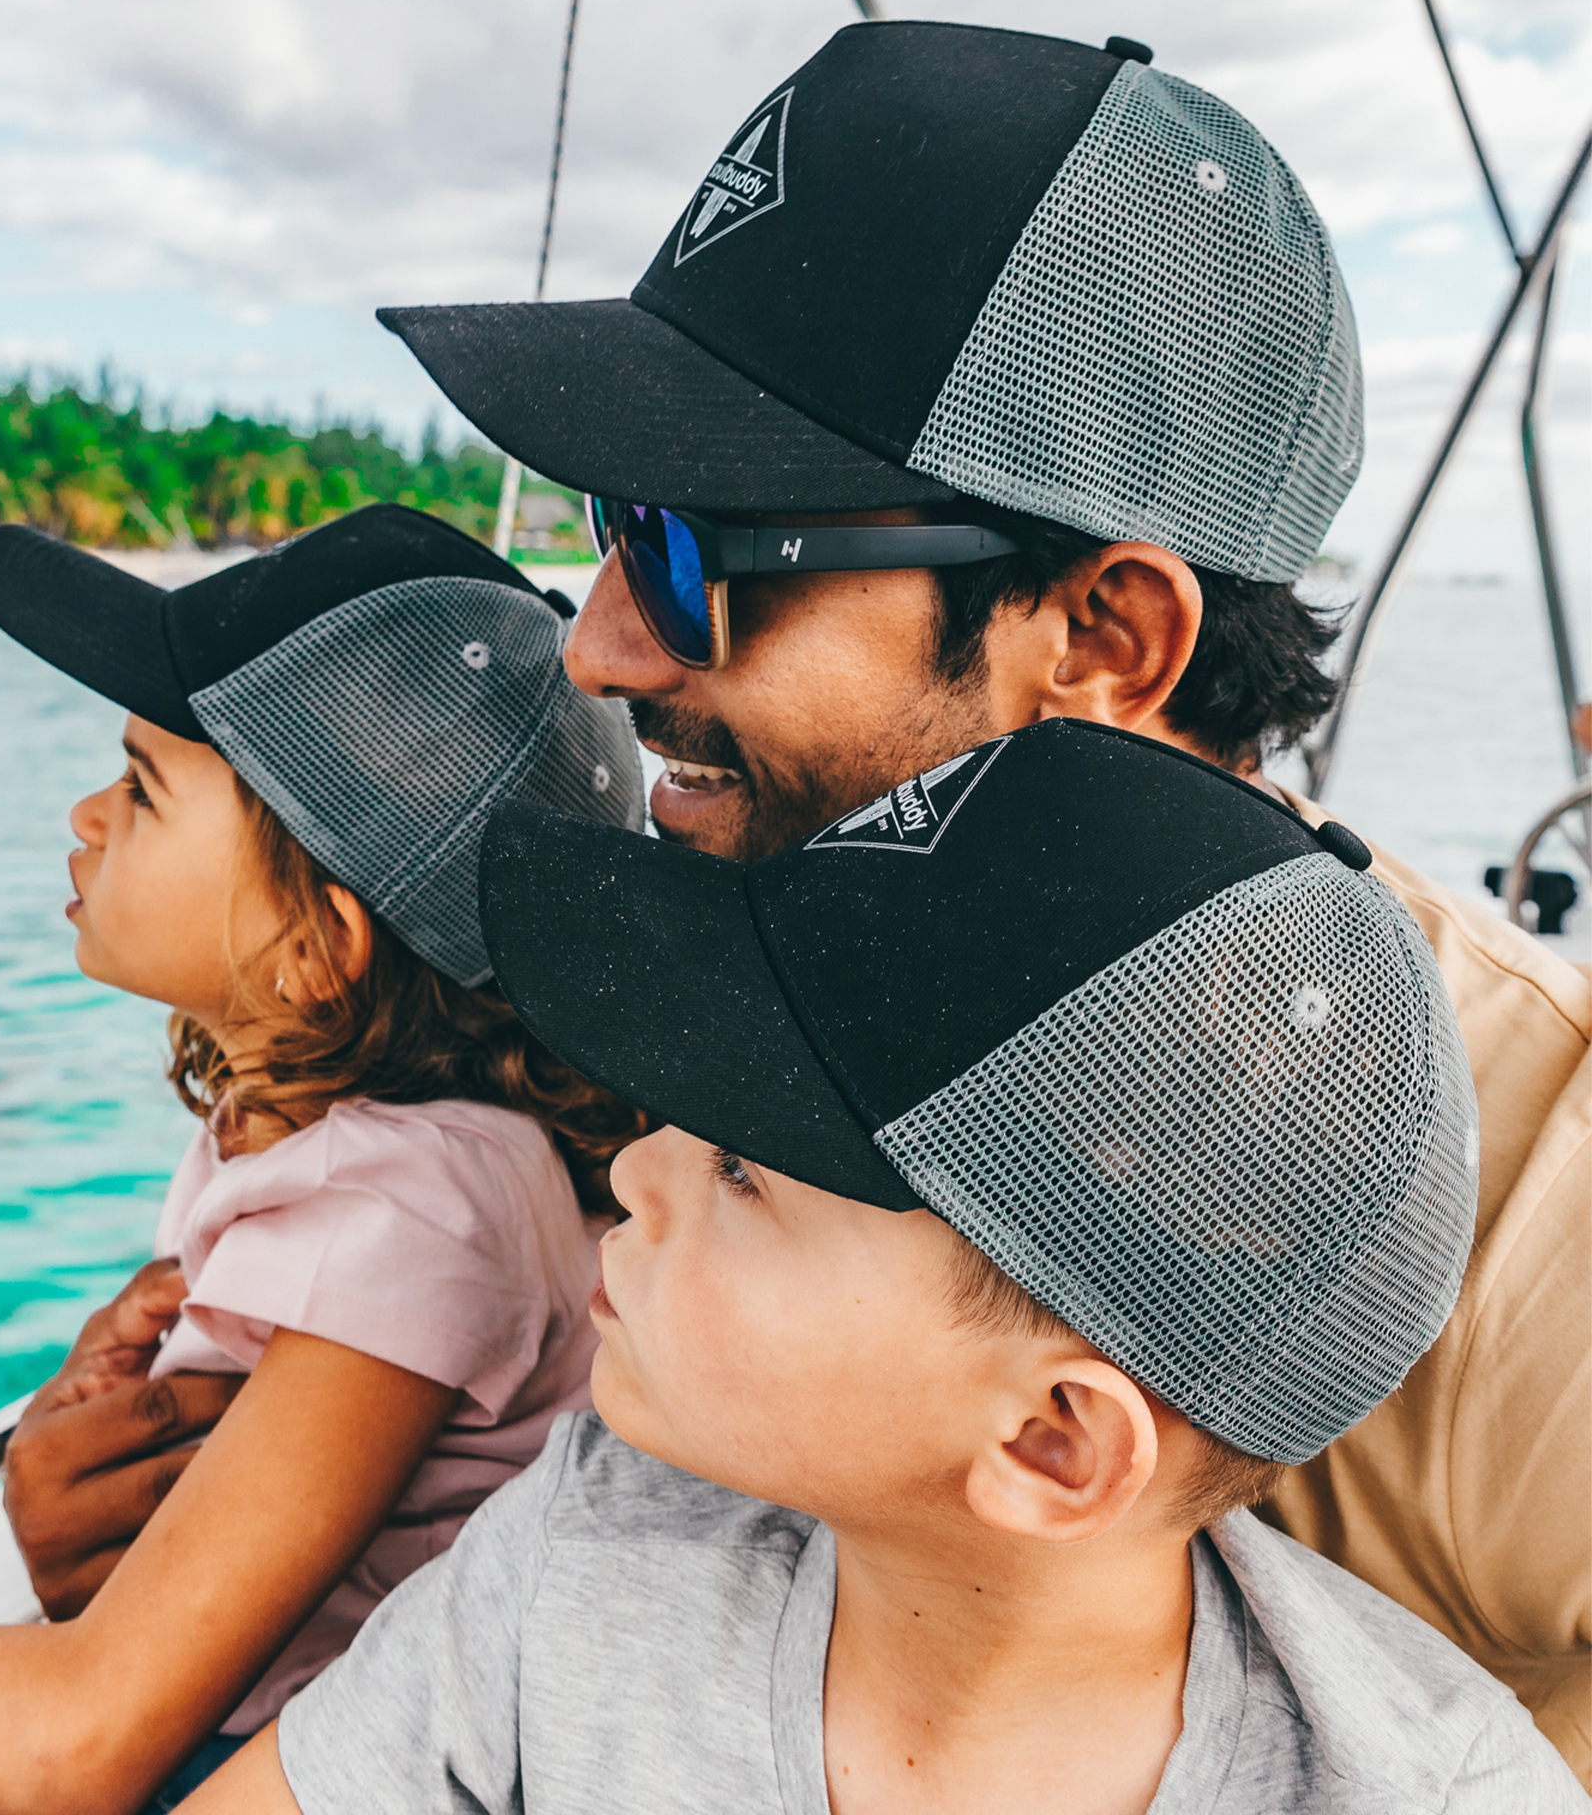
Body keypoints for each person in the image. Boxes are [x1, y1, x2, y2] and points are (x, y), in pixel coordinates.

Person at [371, 18, 1592, 1779]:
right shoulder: (734, 940)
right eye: (607, 522)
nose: (602, 644)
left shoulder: (1548, 1218)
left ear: (1104, 636)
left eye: (696, 550)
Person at [190, 718, 1589, 1813]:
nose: (634, 1170)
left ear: (1050, 1443)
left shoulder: (1430, 1791)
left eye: (743, 1167)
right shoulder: (588, 1541)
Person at [0, 503, 648, 1812]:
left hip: (279, 1767)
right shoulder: (354, 1145)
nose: (87, 816)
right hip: (257, 1739)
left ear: (318, 947)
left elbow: (83, 1743)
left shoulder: (419, 1199)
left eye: (144, 789)